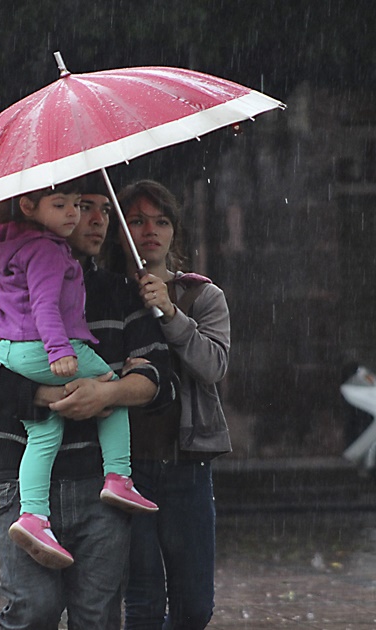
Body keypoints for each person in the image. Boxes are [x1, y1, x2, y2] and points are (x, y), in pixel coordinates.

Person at [0, 177, 176, 629]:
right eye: (78, 206)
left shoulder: (120, 292)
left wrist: (107, 393)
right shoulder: (2, 292)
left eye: (102, 210)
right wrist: (43, 396)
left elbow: (159, 379)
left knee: (96, 617)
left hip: (99, 482)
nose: (92, 220)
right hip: (22, 478)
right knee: (32, 611)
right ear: (39, 213)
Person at [103, 179, 232, 630]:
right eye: (135, 221)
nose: (149, 230)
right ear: (120, 231)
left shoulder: (202, 296)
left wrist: (173, 316)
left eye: (160, 221)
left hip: (187, 466)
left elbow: (213, 366)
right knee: (142, 604)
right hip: (127, 467)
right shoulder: (105, 295)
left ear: (175, 231)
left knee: (194, 606)